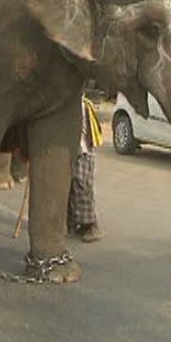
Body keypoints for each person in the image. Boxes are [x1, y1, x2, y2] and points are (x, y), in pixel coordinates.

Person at [67, 97, 104, 243]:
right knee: (69, 187)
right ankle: (73, 223)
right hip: (73, 152)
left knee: (81, 186)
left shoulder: (84, 105)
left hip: (84, 151)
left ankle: (91, 225)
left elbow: (85, 132)